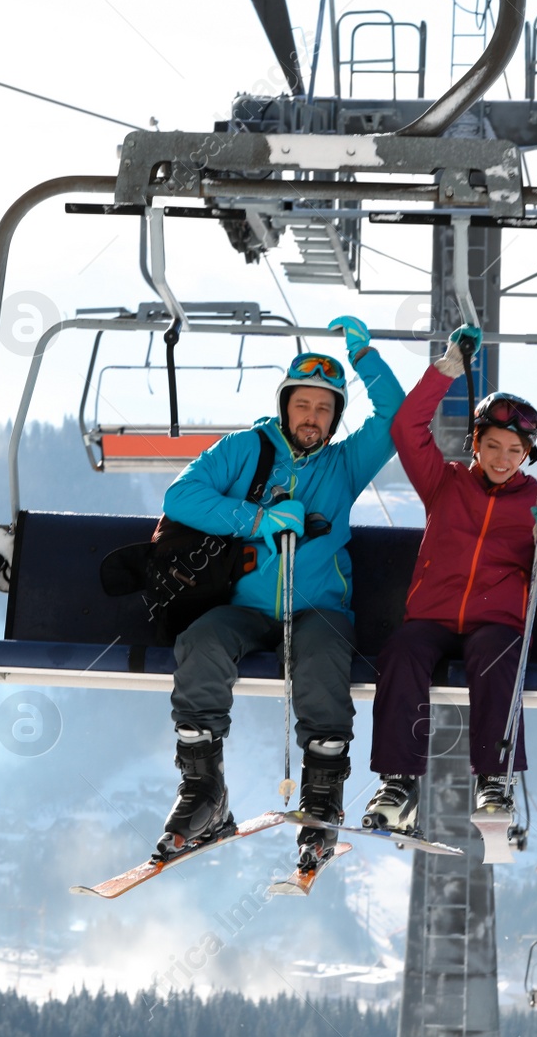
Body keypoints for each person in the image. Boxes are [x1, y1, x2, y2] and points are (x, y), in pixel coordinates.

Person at [156, 316, 405, 869]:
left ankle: (321, 797)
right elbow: (182, 498)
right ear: (286, 404)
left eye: (324, 409)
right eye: (303, 405)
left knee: (321, 658)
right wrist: (256, 519)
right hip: (244, 606)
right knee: (202, 644)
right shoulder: (245, 449)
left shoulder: (346, 463)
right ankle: (203, 791)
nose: (311, 418)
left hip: (317, 606)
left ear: (336, 417)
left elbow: (397, 417)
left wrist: (367, 361)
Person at [362, 325, 537, 829]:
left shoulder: (535, 504)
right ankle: (399, 781)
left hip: (494, 623)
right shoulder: (446, 483)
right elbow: (407, 427)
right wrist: (448, 368)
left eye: (514, 452)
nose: (503, 460)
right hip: (433, 617)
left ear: (526, 457)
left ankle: (494, 780)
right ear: (474, 444)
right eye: (494, 446)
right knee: (402, 651)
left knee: (495, 654)